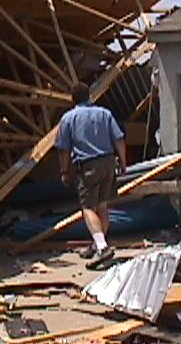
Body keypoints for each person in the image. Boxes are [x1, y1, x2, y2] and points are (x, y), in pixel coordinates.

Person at [55, 82, 127, 268]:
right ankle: (97, 245)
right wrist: (124, 162)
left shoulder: (68, 118)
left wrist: (64, 171)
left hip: (88, 165)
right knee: (102, 205)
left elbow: (63, 149)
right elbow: (119, 138)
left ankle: (102, 248)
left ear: (73, 99)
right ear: (89, 96)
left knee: (88, 208)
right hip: (109, 161)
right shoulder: (104, 113)